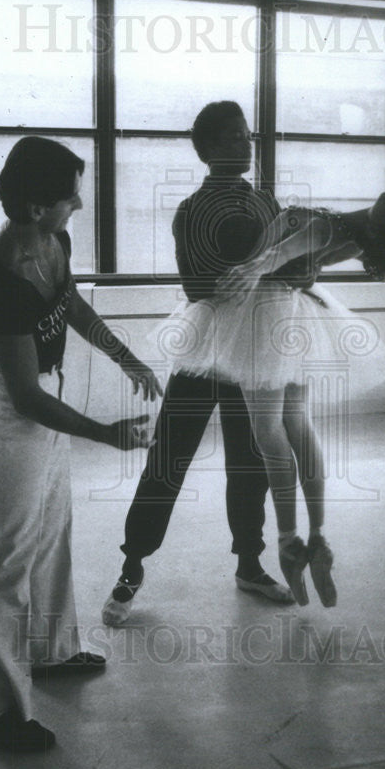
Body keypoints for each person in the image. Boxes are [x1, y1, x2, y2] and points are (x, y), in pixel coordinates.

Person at [173, 191, 385, 607]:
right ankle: (319, 536)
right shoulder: (348, 234)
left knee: (269, 429)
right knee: (298, 423)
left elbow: (280, 256)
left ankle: (290, 542)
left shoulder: (346, 228)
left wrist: (239, 278)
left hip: (268, 309)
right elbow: (290, 253)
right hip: (297, 312)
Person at [0, 136, 162, 753]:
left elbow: (71, 304)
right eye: (69, 197)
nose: (78, 203)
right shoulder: (4, 279)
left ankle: (50, 653)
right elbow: (24, 398)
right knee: (7, 558)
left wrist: (123, 355)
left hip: (42, 397)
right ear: (32, 207)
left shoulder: (53, 242)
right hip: (13, 409)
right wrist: (106, 434)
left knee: (52, 530)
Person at [102, 101, 310, 626]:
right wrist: (252, 273)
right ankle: (130, 570)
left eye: (247, 135)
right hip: (209, 341)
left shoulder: (264, 201)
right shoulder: (193, 209)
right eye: (236, 137)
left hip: (257, 343)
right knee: (169, 456)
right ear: (212, 148)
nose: (247, 143)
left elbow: (296, 268)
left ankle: (249, 565)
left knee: (251, 461)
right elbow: (196, 287)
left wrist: (279, 267)